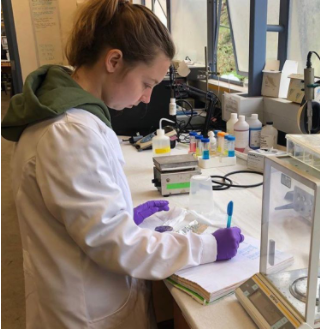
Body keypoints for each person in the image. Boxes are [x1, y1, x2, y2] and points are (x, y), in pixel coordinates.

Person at [1, 0, 245, 328]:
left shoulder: (68, 116)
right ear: (114, 60)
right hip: (84, 314)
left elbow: (85, 220)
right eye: (147, 83)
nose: (147, 98)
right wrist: (207, 246)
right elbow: (118, 247)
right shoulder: (70, 133)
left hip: (80, 291)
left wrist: (121, 215)